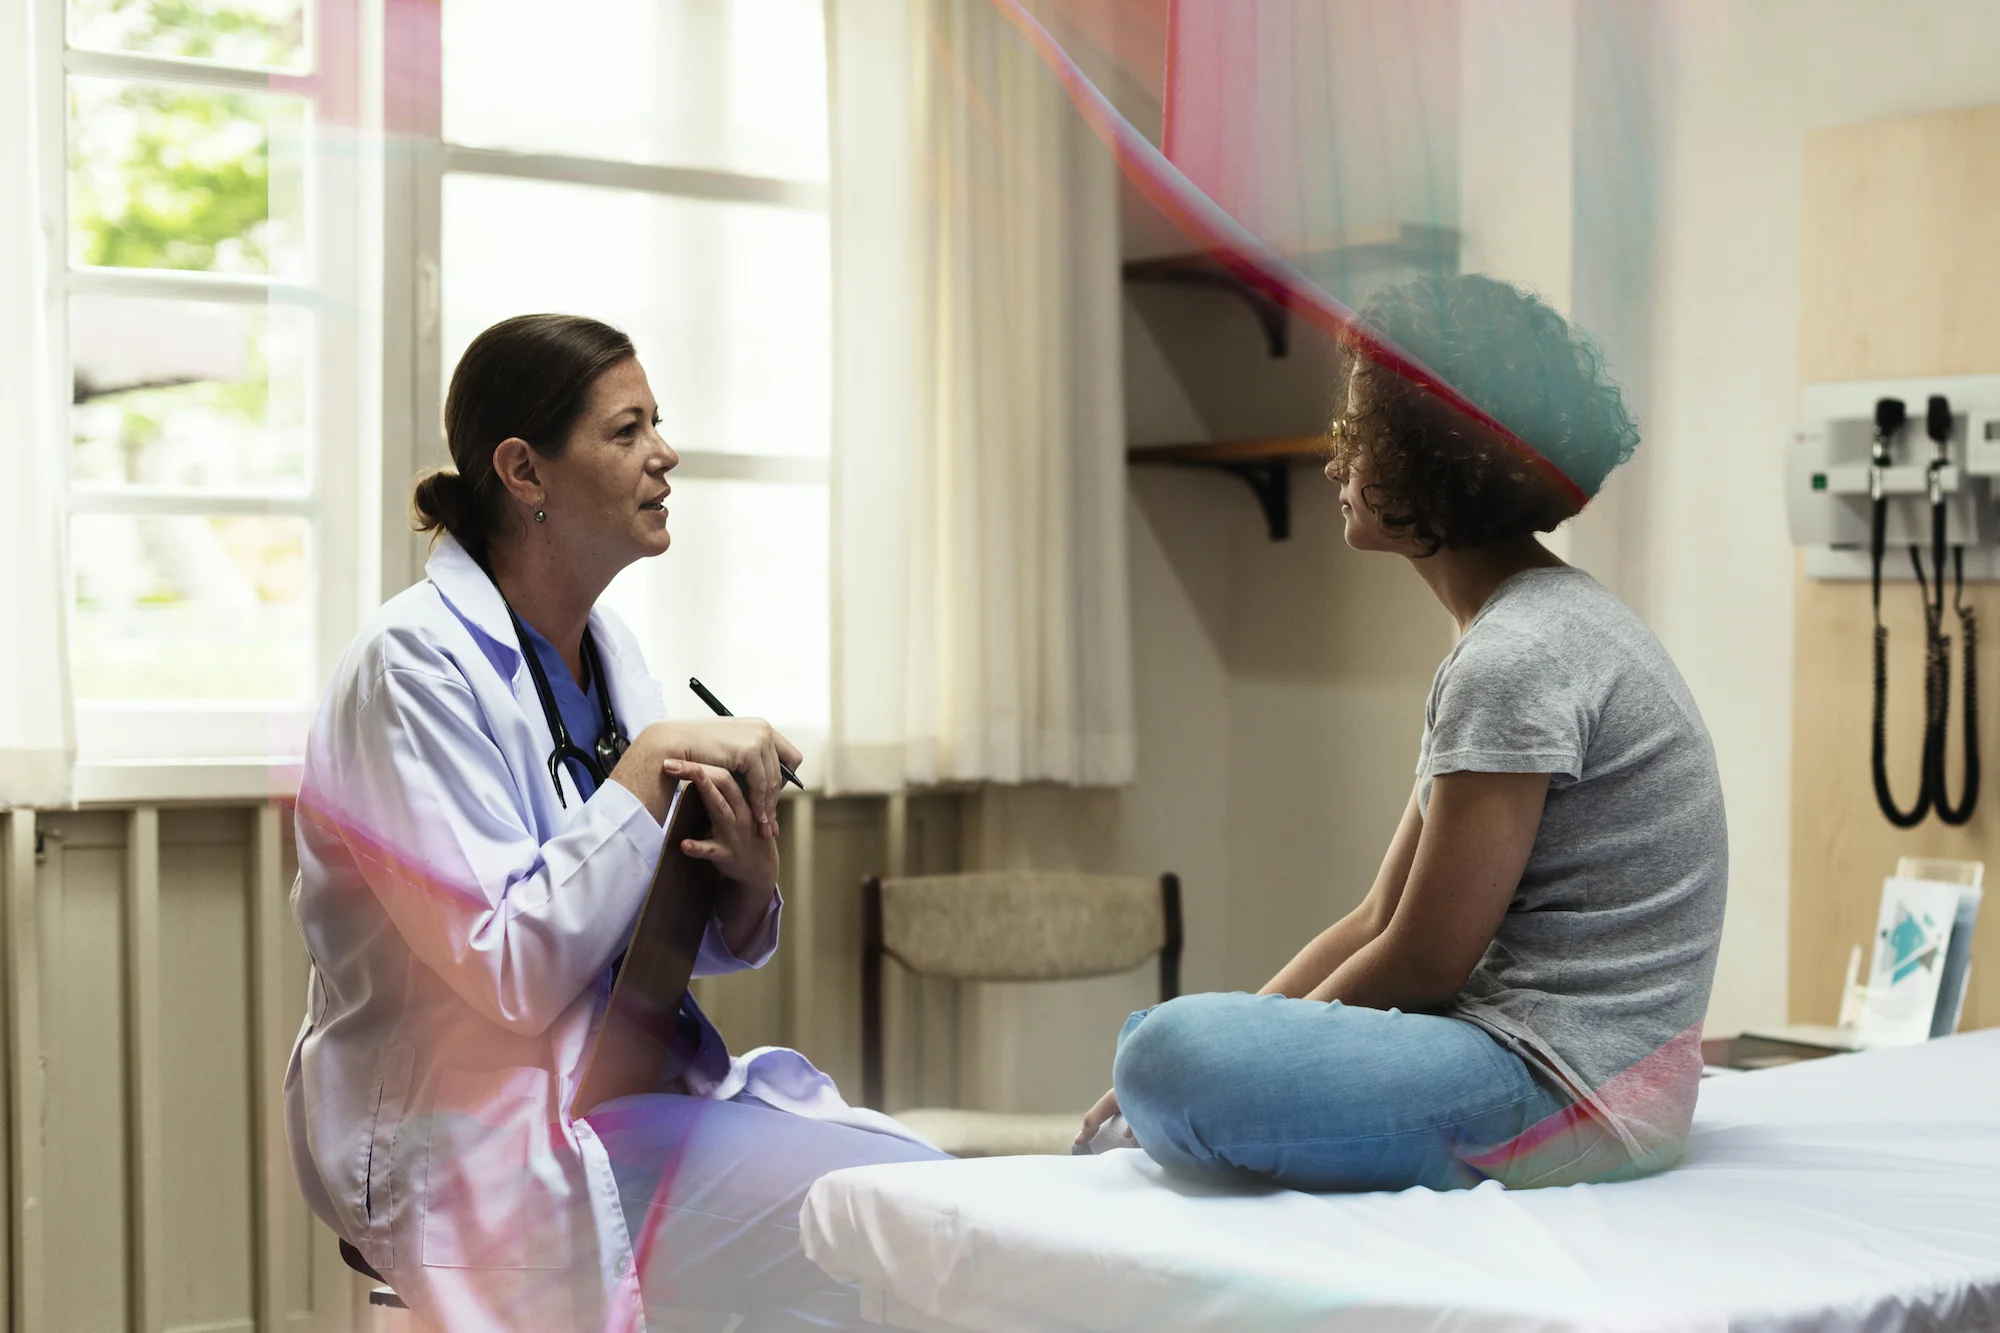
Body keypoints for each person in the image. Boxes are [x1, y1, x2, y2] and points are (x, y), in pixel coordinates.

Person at [284, 313, 943, 1333]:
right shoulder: (409, 667)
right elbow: (507, 972)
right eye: (627, 430)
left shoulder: (607, 650)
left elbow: (627, 938)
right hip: (467, 1137)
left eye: (657, 425)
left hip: (614, 1091)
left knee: (890, 1230)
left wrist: (739, 882)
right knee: (899, 1215)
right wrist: (640, 777)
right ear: (524, 471)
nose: (664, 454)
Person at [1079, 274, 1728, 1191]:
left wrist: (1220, 1050)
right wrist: (1255, 1026)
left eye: (1358, 432)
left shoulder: (1517, 656)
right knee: (1177, 1043)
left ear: (1432, 459)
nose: (1335, 461)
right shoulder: (1522, 630)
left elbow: (1426, 961)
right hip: (1574, 1075)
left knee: (1166, 1053)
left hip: (1570, 1093)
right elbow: (1381, 916)